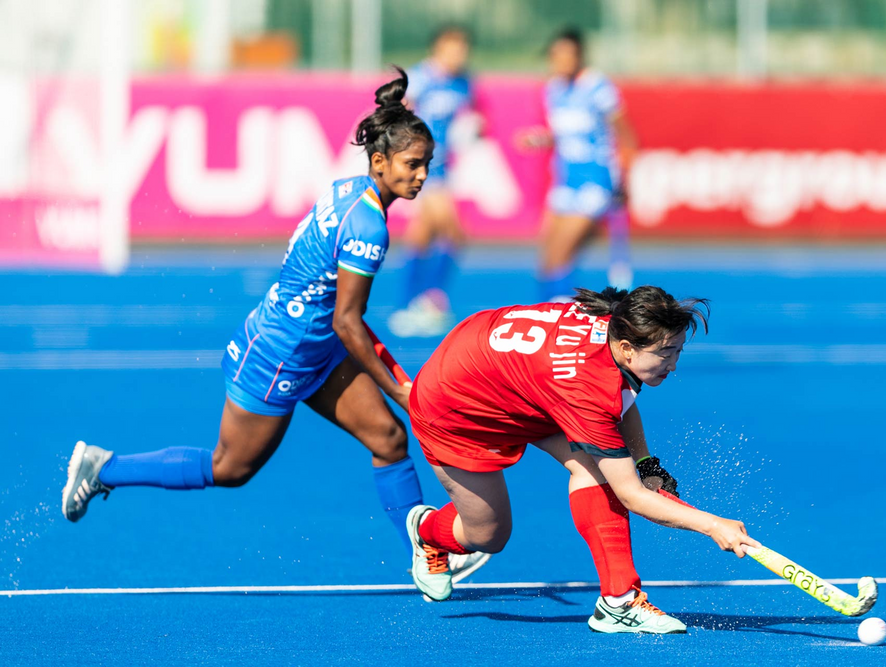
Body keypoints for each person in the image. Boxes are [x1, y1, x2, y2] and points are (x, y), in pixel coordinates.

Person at [60, 68, 489, 580]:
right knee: (229, 468)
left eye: (427, 165)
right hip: (280, 354)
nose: (422, 175)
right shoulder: (368, 226)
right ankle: (105, 468)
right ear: (380, 161)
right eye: (413, 164)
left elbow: (342, 319)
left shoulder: (350, 189)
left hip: (315, 347)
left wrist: (400, 385)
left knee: (389, 439)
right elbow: (348, 321)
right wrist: (401, 389)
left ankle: (427, 552)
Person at [402, 285, 760, 633]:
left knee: (595, 470)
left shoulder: (616, 322)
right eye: (665, 353)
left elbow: (618, 401)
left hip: (511, 378)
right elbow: (631, 494)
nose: (674, 365)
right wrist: (713, 525)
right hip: (456, 409)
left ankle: (619, 602)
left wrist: (645, 463)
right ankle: (427, 533)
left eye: (678, 351)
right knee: (489, 536)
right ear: (627, 349)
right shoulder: (587, 388)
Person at [517, 28, 638, 302]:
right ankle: (549, 312)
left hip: (594, 182)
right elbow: (563, 135)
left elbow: (626, 136)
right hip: (565, 181)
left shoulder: (597, 87)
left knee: (562, 253)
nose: (561, 61)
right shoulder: (553, 89)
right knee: (548, 259)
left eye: (568, 55)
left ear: (580, 56)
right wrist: (539, 140)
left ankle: (563, 315)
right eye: (556, 56)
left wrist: (623, 180)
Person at [388, 26, 476, 338]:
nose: (458, 55)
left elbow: (471, 118)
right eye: (452, 49)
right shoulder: (420, 78)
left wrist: (473, 129)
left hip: (443, 168)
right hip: (424, 167)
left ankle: (410, 305)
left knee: (422, 235)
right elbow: (395, 114)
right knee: (453, 233)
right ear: (437, 49)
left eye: (462, 49)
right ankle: (430, 299)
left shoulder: (464, 82)